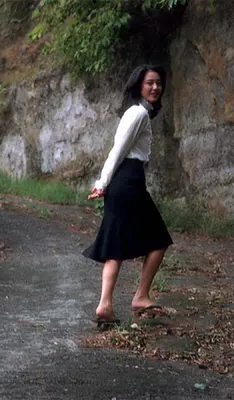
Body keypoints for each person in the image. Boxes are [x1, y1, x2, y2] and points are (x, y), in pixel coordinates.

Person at [83, 64, 173, 328]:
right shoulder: (139, 114)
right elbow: (117, 151)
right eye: (149, 83)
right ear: (139, 85)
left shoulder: (136, 112)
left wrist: (105, 184)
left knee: (116, 243)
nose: (155, 87)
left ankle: (105, 305)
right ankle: (141, 296)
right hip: (128, 181)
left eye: (158, 83)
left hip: (123, 183)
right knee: (159, 238)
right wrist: (101, 183)